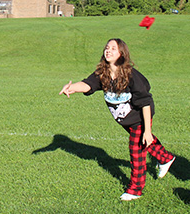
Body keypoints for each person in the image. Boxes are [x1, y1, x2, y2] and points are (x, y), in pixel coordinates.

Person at [60, 39, 175, 201]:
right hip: (125, 119)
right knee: (144, 140)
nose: (108, 51)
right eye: (107, 48)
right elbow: (88, 84)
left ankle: (135, 189)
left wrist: (147, 130)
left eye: (113, 48)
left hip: (140, 116)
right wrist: (71, 88)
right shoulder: (103, 73)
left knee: (136, 150)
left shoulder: (131, 75)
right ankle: (166, 158)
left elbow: (145, 101)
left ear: (122, 53)